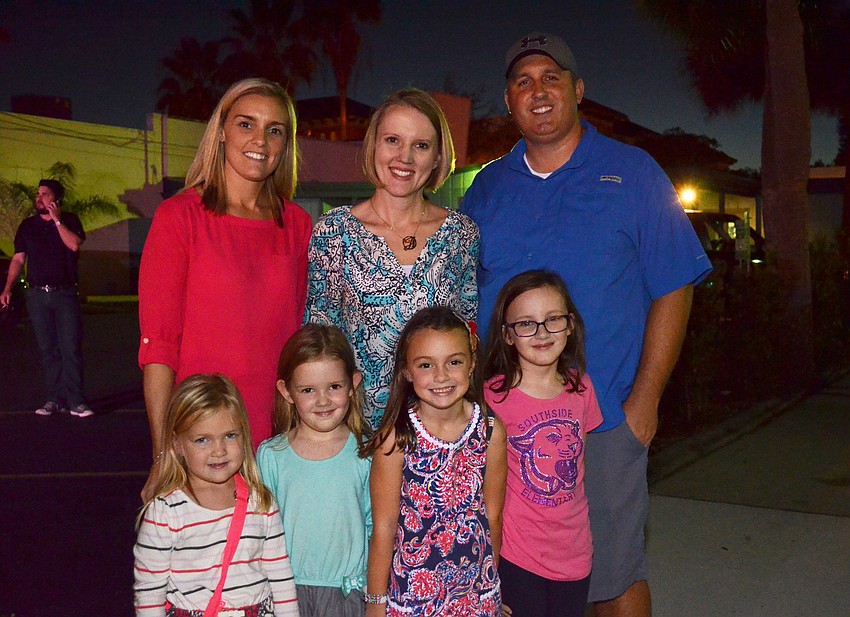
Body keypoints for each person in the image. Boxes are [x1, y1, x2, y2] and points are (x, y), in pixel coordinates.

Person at [461, 33, 712, 617]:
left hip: (597, 424)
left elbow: (674, 287)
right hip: (500, 427)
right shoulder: (487, 188)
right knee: (503, 578)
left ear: (577, 90)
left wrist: (644, 403)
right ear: (508, 100)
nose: (538, 91)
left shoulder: (634, 174)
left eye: (552, 77)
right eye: (522, 81)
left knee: (612, 575)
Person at [138, 78, 312, 500]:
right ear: (221, 133)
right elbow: (159, 348)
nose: (260, 140)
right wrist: (165, 455)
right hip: (205, 445)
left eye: (275, 129)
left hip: (280, 443)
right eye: (246, 124)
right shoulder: (179, 217)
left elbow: (302, 340)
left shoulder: (298, 225)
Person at [304, 89, 479, 430]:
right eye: (393, 140)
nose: (405, 158)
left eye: (421, 145)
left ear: (438, 156)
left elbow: (467, 338)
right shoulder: (333, 232)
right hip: (355, 433)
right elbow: (318, 345)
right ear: (373, 146)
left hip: (438, 434)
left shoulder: (461, 234)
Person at [362, 306, 507, 617]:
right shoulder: (397, 439)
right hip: (413, 596)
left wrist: (490, 587)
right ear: (406, 371)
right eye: (426, 365)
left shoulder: (491, 431)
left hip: (475, 596)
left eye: (453, 362)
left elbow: (493, 517)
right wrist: (375, 605)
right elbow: (384, 528)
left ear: (471, 364)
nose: (441, 376)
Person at [483, 270, 603, 617]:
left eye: (552, 320)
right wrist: (485, 567)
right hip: (516, 556)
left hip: (575, 553)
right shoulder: (492, 398)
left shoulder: (582, 387)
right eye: (526, 323)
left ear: (570, 325)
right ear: (507, 335)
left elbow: (579, 469)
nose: (541, 333)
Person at [133, 373, 299, 617]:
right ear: (178, 445)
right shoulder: (165, 512)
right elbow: (149, 593)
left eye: (230, 436)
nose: (219, 451)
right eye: (202, 440)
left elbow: (281, 578)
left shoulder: (261, 502)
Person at [257, 324, 371, 617]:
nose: (322, 400)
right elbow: (258, 532)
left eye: (334, 387)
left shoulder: (367, 454)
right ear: (287, 391)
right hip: (283, 593)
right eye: (308, 390)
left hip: (349, 595)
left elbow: (376, 527)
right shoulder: (271, 456)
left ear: (352, 384)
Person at [1, 179, 92, 417]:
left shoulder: (69, 220)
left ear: (56, 200)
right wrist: (8, 287)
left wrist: (57, 220)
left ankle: (76, 401)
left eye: (44, 194)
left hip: (65, 294)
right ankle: (54, 398)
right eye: (37, 194)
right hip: (38, 295)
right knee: (48, 349)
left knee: (70, 347)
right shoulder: (28, 226)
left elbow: (74, 245)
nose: (39, 198)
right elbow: (18, 259)